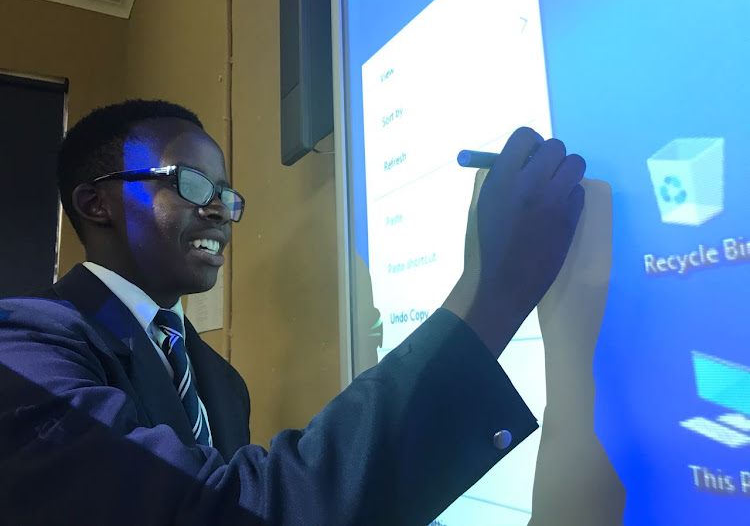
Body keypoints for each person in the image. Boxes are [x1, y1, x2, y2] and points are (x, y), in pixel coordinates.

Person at [0, 100, 585, 525]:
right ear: (96, 202)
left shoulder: (222, 384)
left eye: (227, 196)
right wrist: (492, 290)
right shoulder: (24, 346)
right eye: (193, 185)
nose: (221, 213)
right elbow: (223, 513)